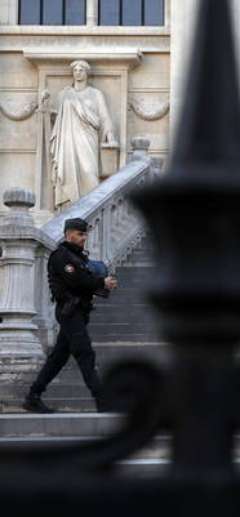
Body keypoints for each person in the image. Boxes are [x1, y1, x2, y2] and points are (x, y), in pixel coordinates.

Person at [23, 218, 119, 413]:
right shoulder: (61, 256)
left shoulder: (78, 257)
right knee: (85, 353)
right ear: (69, 234)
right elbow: (77, 280)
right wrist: (101, 282)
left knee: (58, 357)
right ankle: (102, 400)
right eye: (80, 234)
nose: (84, 238)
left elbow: (85, 280)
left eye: (85, 234)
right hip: (69, 312)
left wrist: (101, 285)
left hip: (79, 311)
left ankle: (33, 396)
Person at [48, 60, 117, 209]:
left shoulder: (95, 94)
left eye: (81, 70)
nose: (78, 72)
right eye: (75, 70)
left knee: (89, 171)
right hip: (68, 139)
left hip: (88, 138)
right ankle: (69, 205)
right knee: (67, 170)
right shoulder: (64, 95)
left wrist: (110, 135)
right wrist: (45, 109)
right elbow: (57, 119)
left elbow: (104, 117)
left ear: (87, 73)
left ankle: (90, 208)